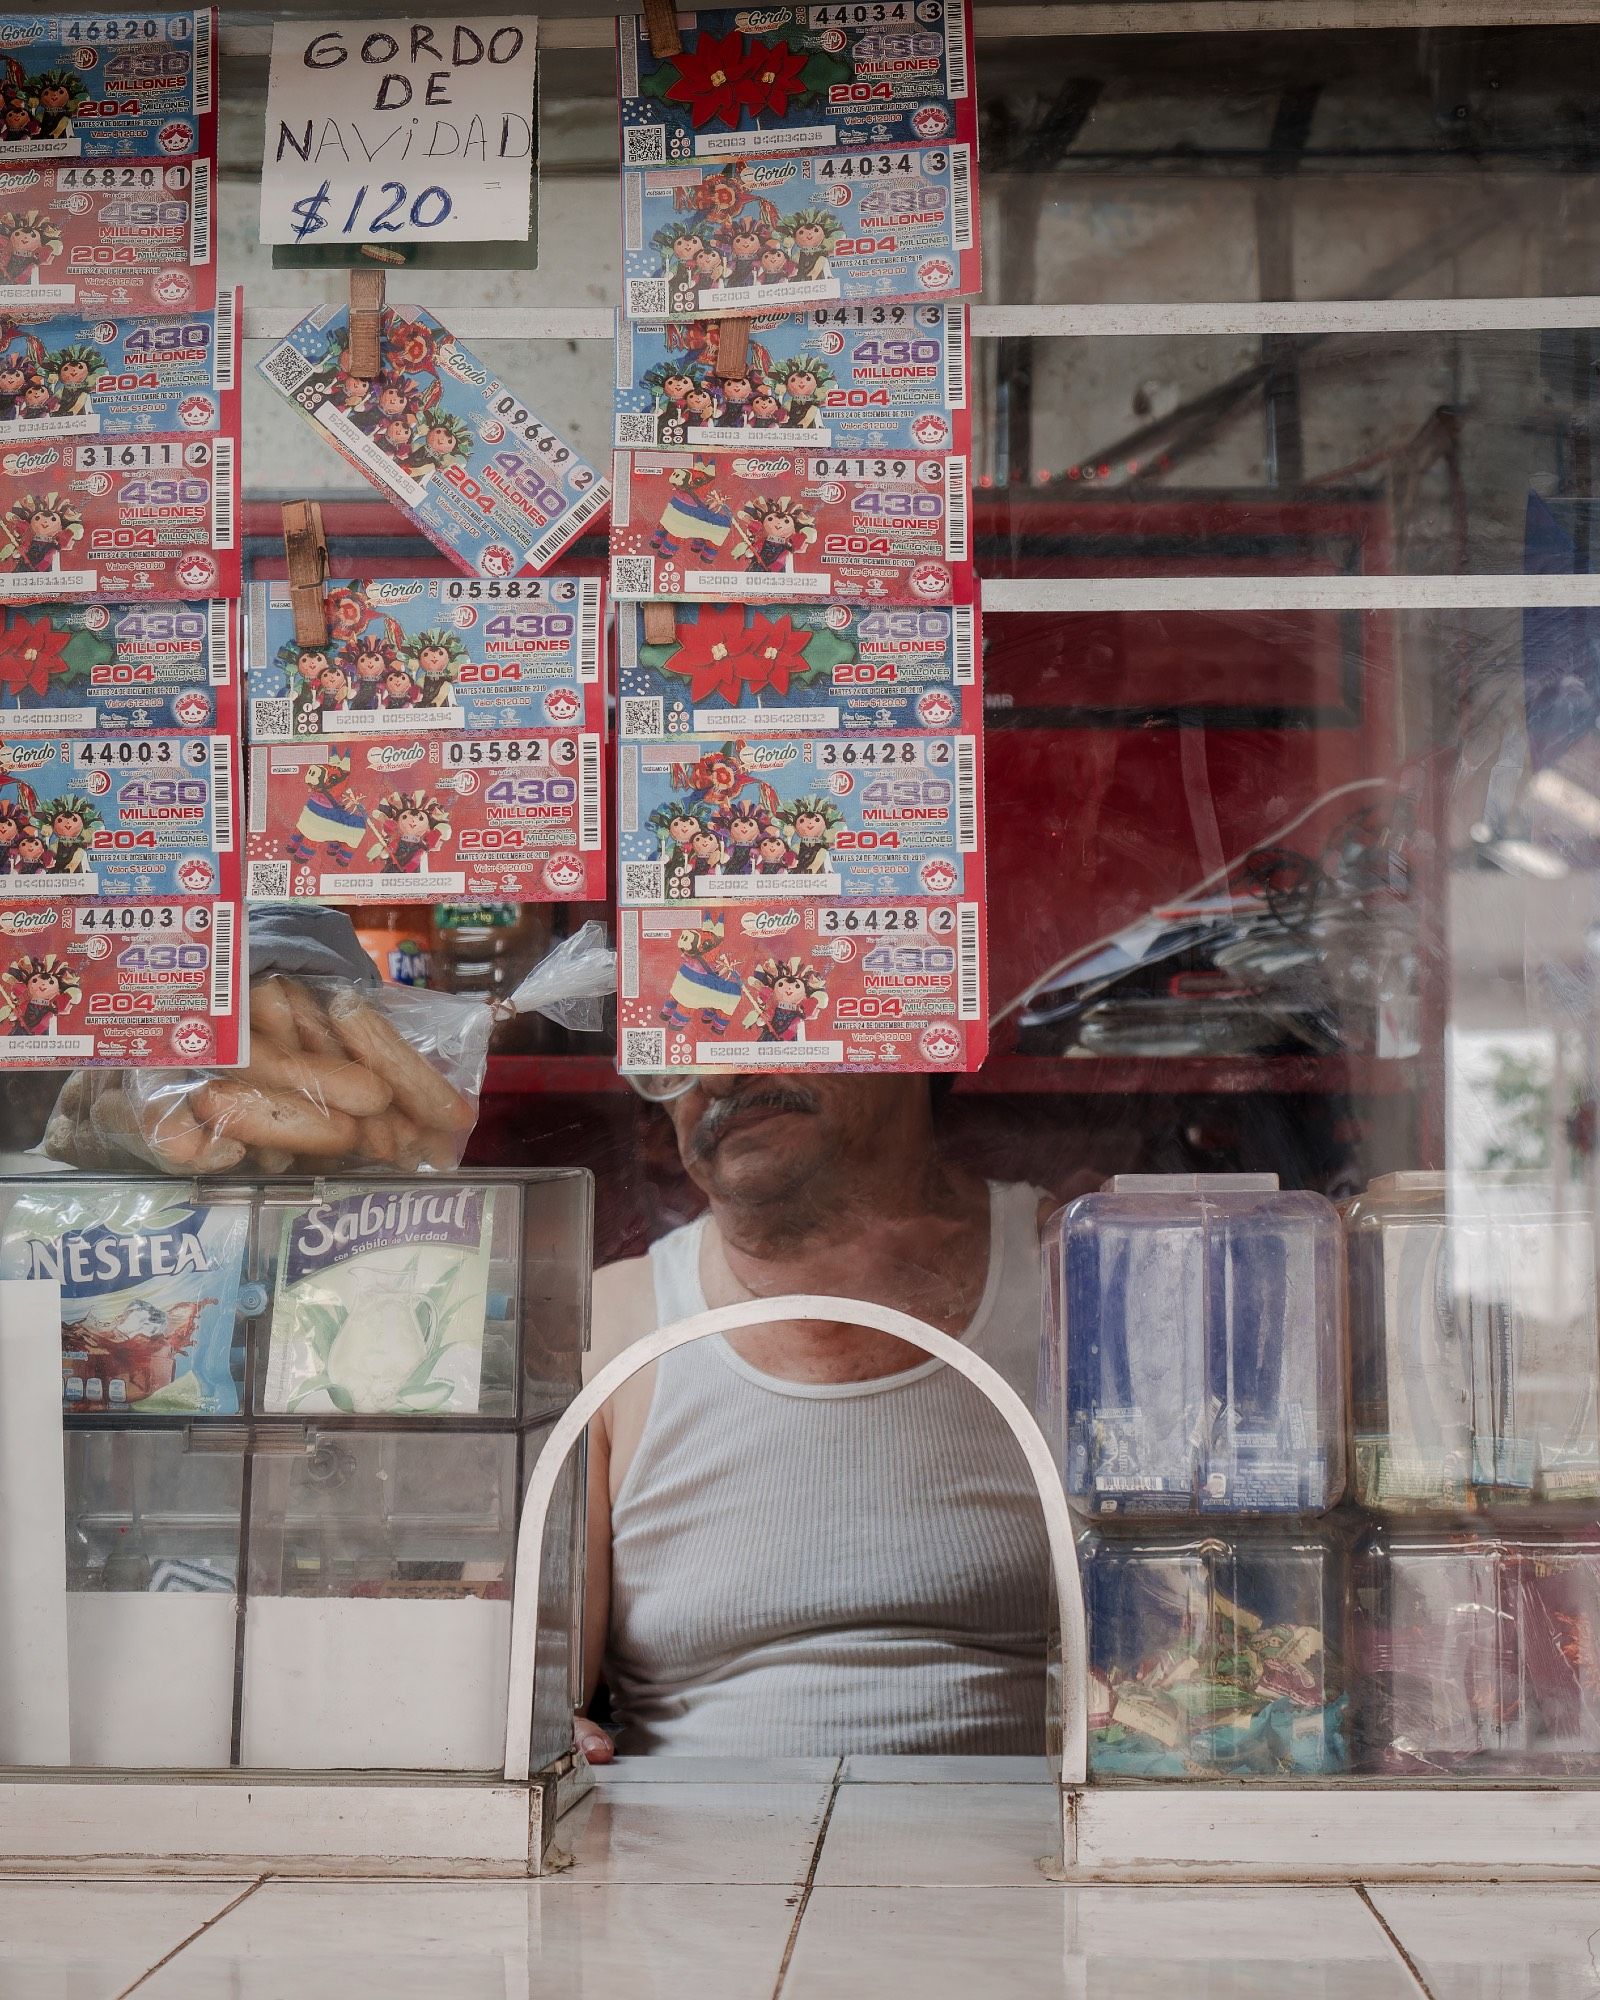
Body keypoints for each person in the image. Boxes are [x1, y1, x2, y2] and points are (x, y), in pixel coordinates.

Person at [577, 1072, 1054, 1761]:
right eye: (683, 1036)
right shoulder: (609, 1325)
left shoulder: (1073, 1271)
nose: (717, 1075)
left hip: (1036, 1852)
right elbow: (535, 1692)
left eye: (777, 1017)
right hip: (689, 1856)